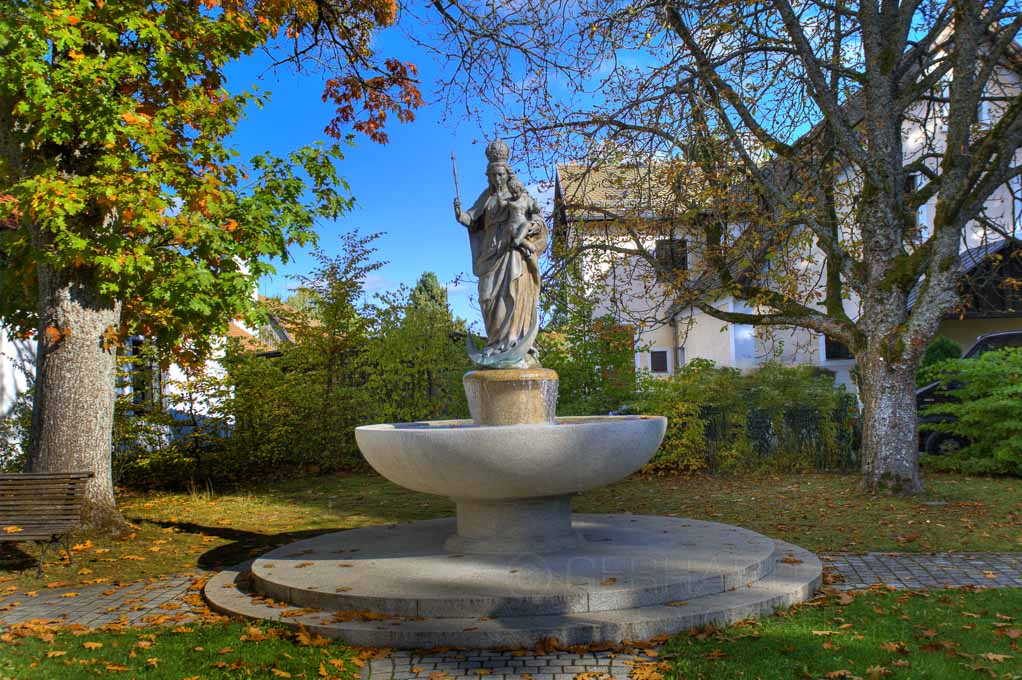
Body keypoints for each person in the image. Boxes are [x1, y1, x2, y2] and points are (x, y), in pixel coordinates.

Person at [452, 140, 547, 362]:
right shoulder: (486, 197)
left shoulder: (519, 195)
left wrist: (529, 228)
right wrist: (459, 214)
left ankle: (512, 340)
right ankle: (495, 343)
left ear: (507, 173)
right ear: (489, 176)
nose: (497, 178)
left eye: (501, 174)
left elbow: (538, 218)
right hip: (489, 252)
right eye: (493, 175)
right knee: (487, 297)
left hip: (511, 251)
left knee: (511, 292)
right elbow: (471, 219)